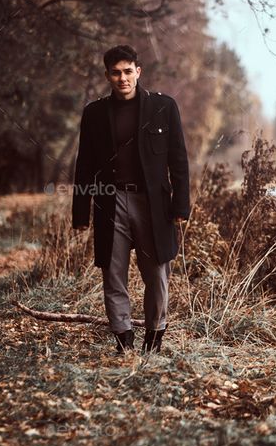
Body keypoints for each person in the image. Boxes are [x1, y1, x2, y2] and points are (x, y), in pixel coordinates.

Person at [71, 44, 190, 355]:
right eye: (115, 73)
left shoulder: (164, 107)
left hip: (153, 203)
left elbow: (178, 160)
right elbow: (84, 165)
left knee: (157, 274)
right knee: (113, 273)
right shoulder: (94, 113)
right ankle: (123, 342)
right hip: (111, 202)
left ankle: (154, 339)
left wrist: (180, 206)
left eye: (128, 71)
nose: (122, 78)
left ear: (138, 71)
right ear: (108, 76)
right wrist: (80, 214)